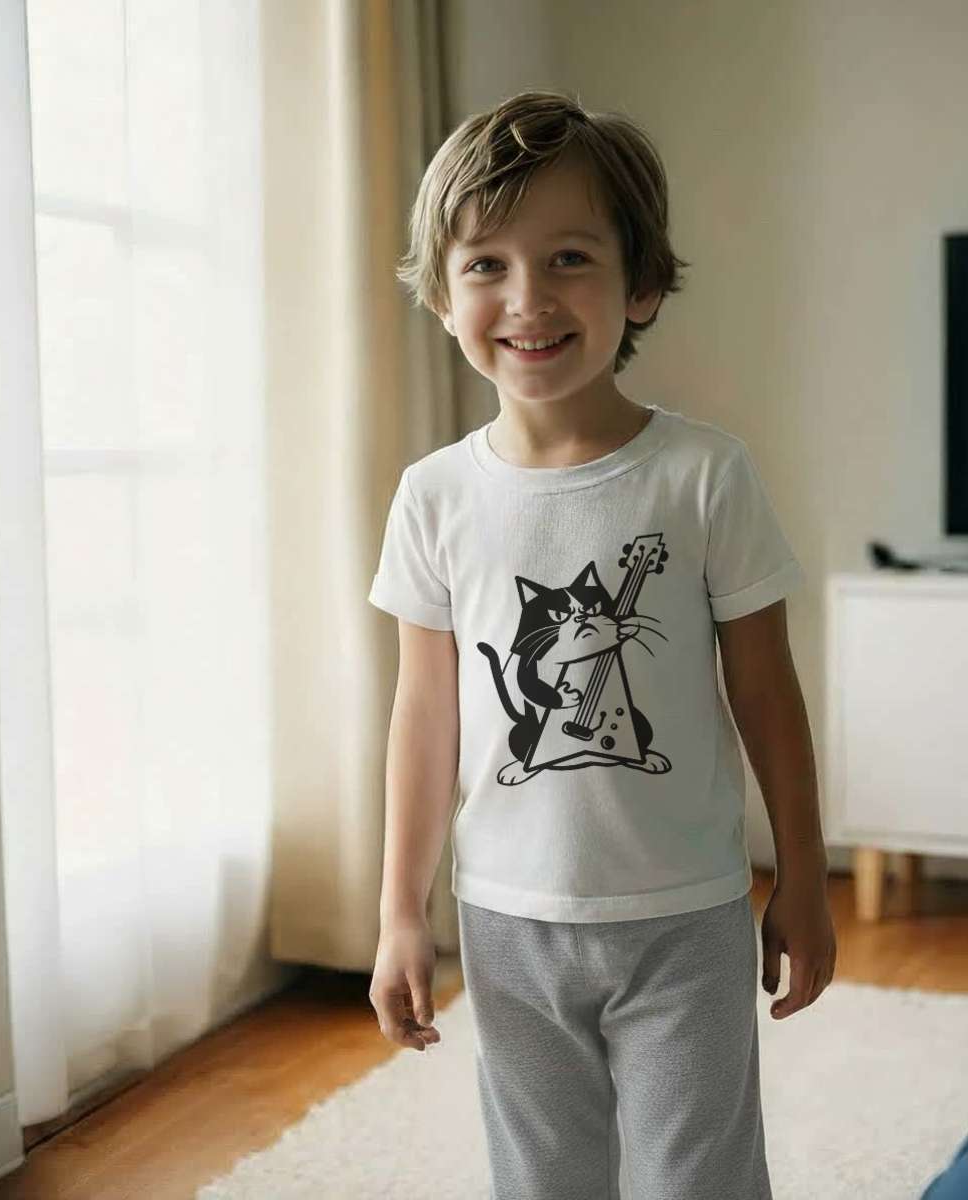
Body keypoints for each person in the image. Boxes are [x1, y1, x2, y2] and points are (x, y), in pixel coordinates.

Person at [366, 88, 836, 1200]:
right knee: (545, 1180)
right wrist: (398, 913)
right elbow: (425, 717)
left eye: (569, 258)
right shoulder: (434, 496)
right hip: (506, 919)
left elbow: (766, 692)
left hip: (686, 915)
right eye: (486, 264)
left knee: (698, 1179)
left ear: (642, 286)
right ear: (442, 295)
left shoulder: (704, 475)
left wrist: (806, 876)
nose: (528, 297)